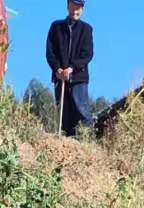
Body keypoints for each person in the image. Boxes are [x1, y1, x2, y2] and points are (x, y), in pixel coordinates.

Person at [45, 0, 94, 137]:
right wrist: (57, 70)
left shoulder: (86, 29)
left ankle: (87, 142)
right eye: (73, 8)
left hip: (79, 79)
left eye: (78, 8)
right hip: (60, 79)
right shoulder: (56, 27)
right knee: (64, 117)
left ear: (82, 9)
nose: (75, 11)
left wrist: (72, 68)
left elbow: (87, 54)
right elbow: (50, 52)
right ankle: (66, 144)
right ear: (67, 7)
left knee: (82, 113)